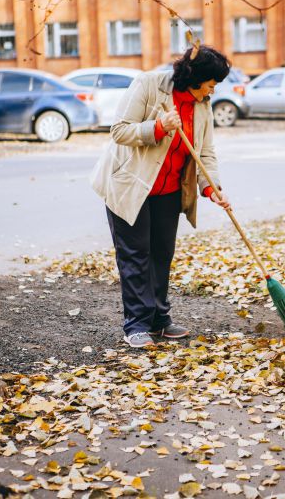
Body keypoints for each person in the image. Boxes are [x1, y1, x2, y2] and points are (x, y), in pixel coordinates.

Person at [91, 45, 231, 348]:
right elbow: (119, 131)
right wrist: (158, 127)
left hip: (168, 190)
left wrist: (211, 188)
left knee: (161, 254)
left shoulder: (202, 104)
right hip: (131, 185)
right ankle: (137, 325)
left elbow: (205, 152)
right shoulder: (148, 85)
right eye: (211, 83)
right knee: (135, 255)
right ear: (196, 78)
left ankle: (159, 319)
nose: (213, 90)